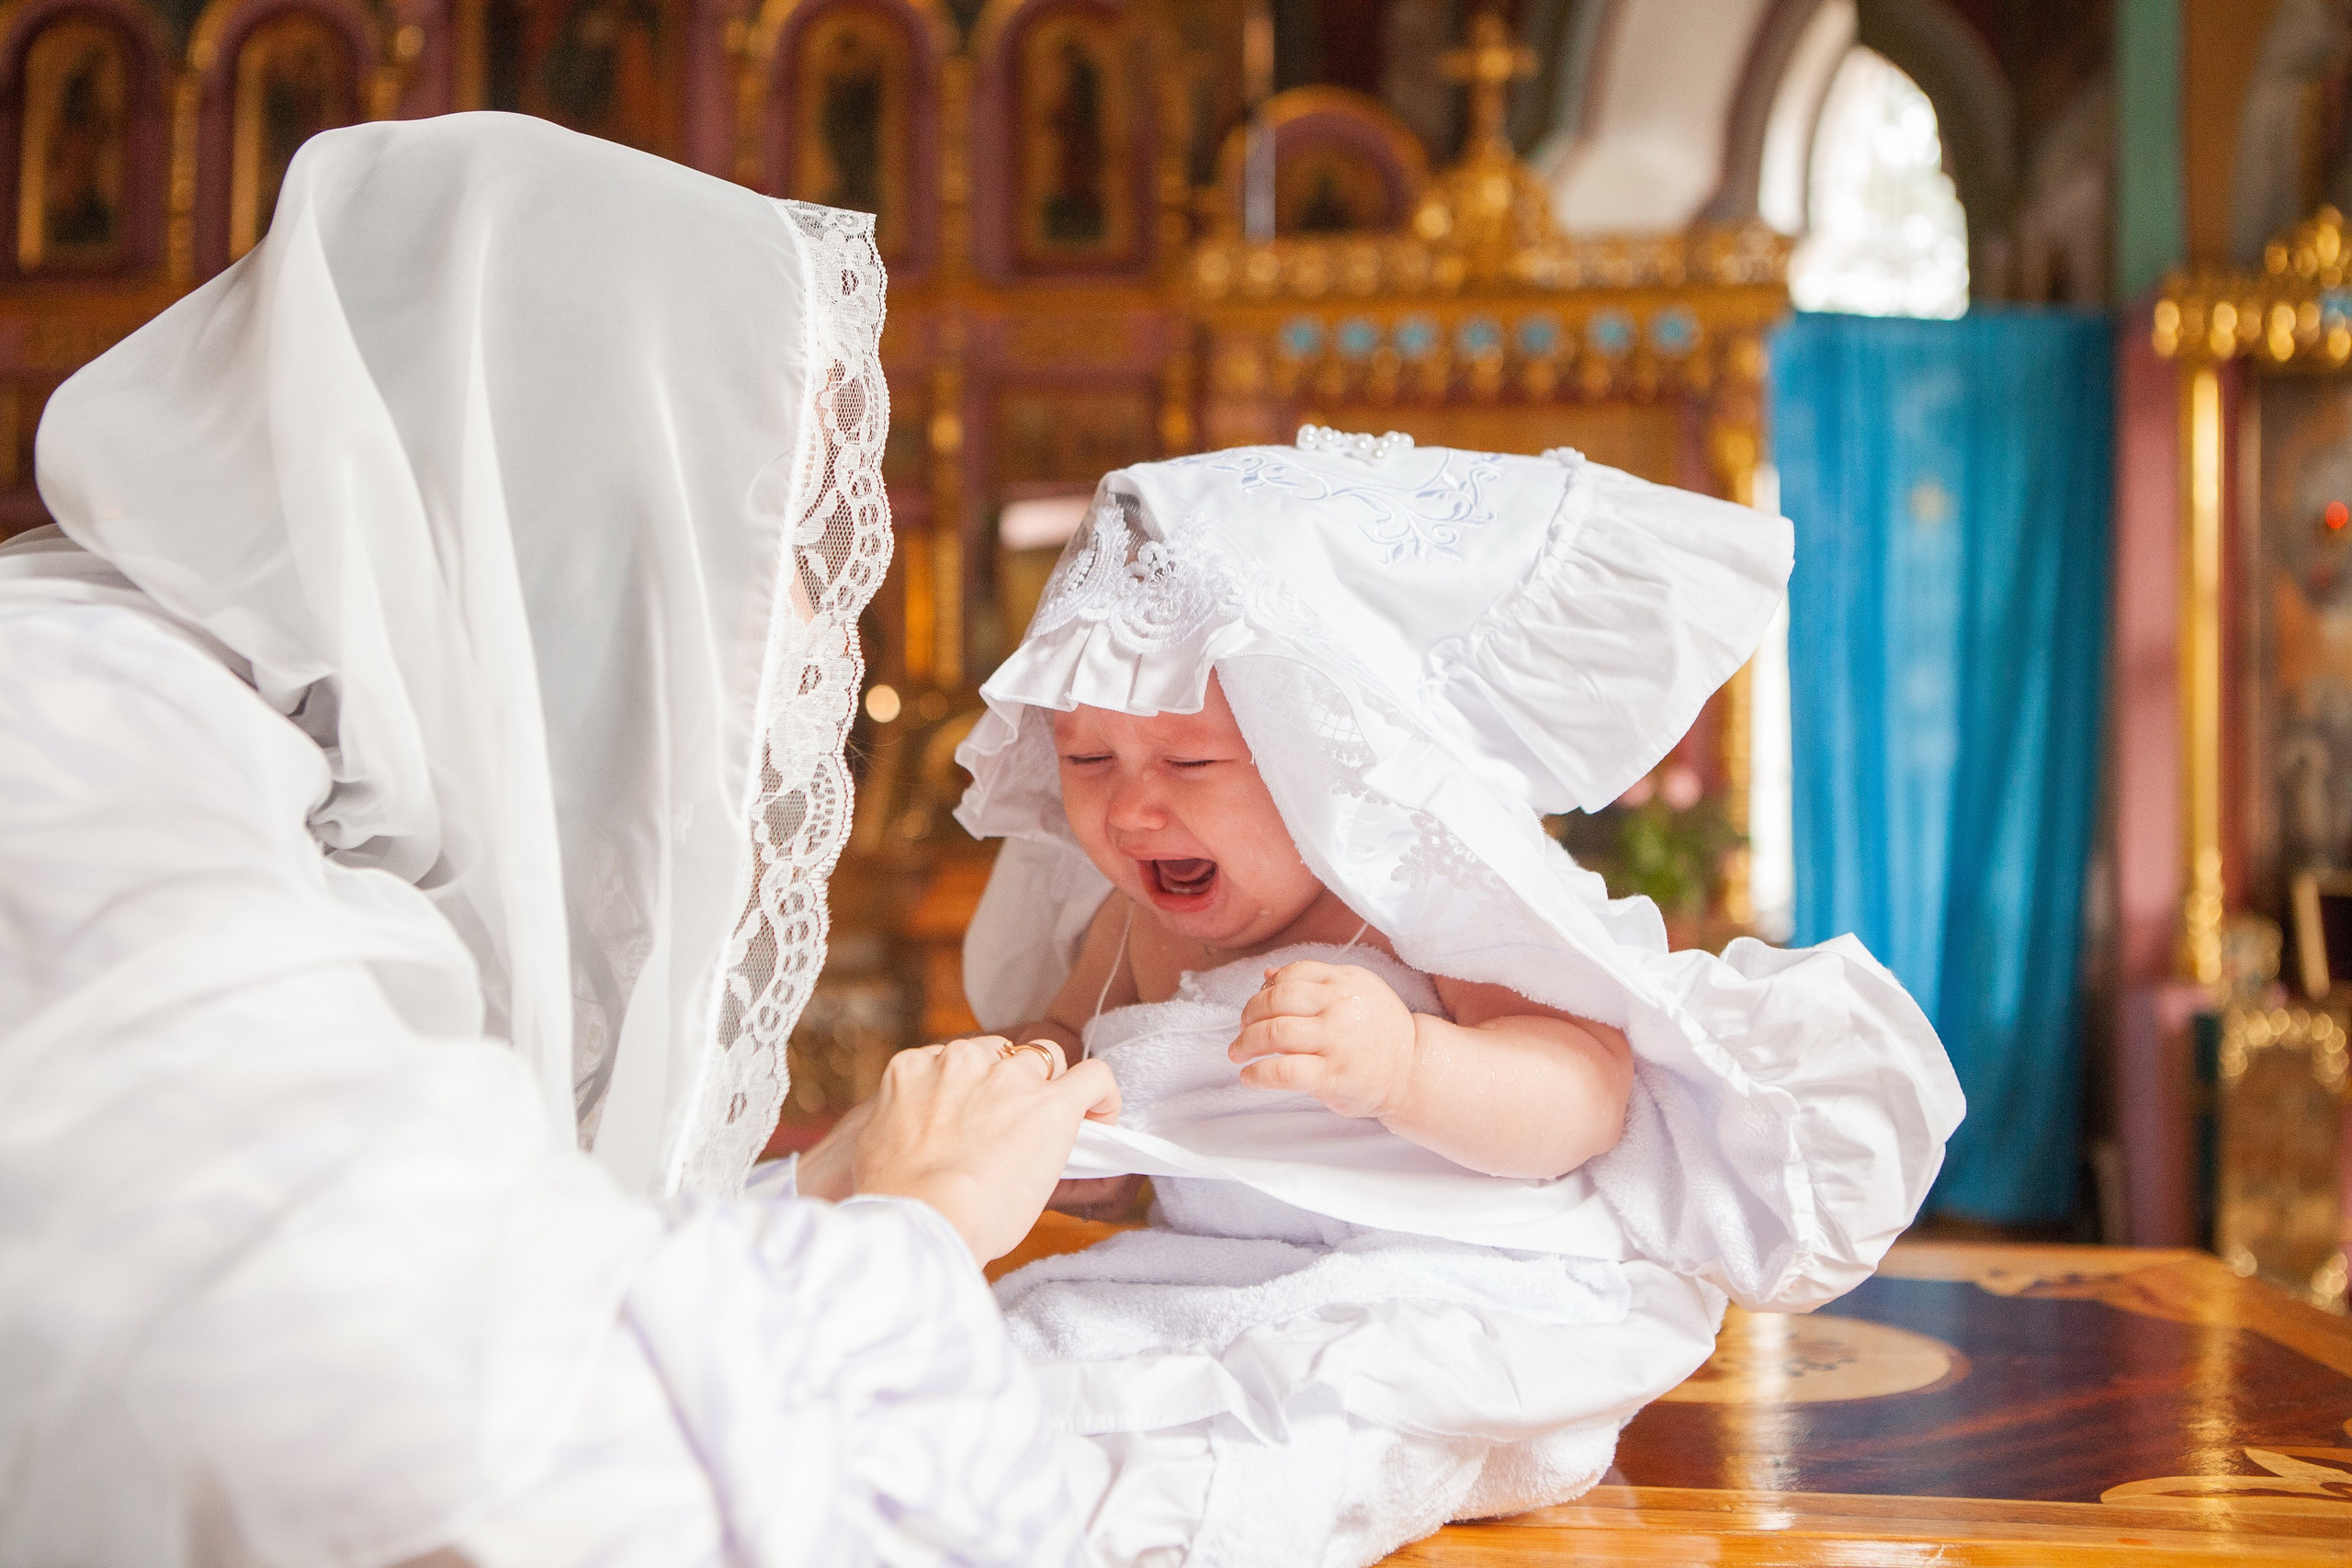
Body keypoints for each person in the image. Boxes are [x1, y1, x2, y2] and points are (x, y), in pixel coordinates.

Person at [0, 112, 1117, 1567]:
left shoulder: (299, 730)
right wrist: (918, 1226)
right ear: (550, 478)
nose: (792, 640)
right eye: (774, 537)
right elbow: (449, 1440)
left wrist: (822, 1191)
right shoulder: (73, 726)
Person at [837, 434, 1967, 1567]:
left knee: (1297, 1420)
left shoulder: (1417, 902)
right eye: (1087, 762)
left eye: (1190, 766)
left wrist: (1409, 1068)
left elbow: (1585, 1095)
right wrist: (1040, 1092)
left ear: (1311, 751)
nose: (1132, 813)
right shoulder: (1130, 926)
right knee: (1018, 1359)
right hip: (1221, 1273)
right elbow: (1074, 1051)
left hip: (1459, 1279)